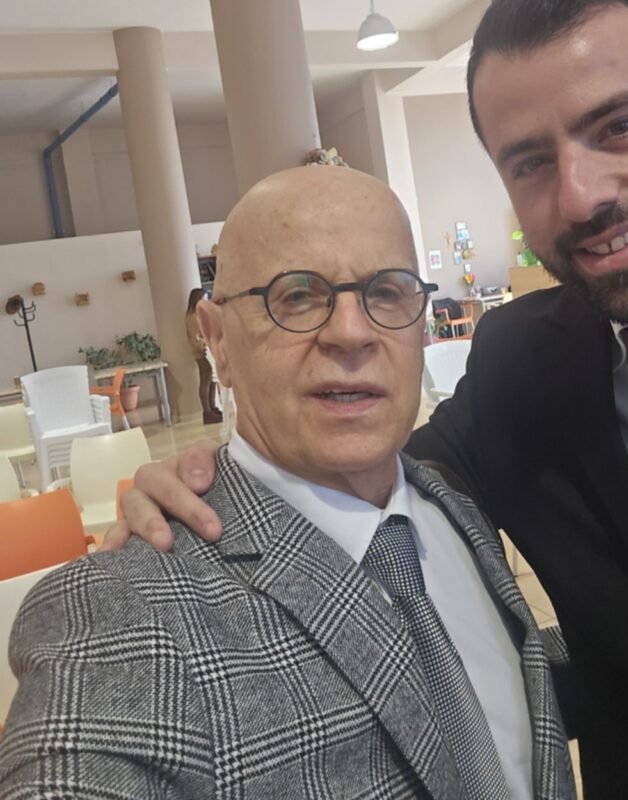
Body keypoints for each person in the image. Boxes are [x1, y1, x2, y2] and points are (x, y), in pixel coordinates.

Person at [115, 0, 628, 799]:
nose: (580, 196)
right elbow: (368, 474)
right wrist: (207, 482)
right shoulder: (524, 362)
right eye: (530, 163)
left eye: (619, 127)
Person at [0, 167, 575, 800]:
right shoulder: (119, 614)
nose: (352, 333)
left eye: (387, 291)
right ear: (217, 339)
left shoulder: (453, 505)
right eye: (297, 295)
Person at [186, 286, 222, 424]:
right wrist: (208, 342)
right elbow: (196, 339)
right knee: (206, 381)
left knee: (212, 379)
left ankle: (213, 407)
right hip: (202, 353)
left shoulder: (198, 316)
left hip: (207, 351)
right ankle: (207, 411)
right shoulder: (193, 318)